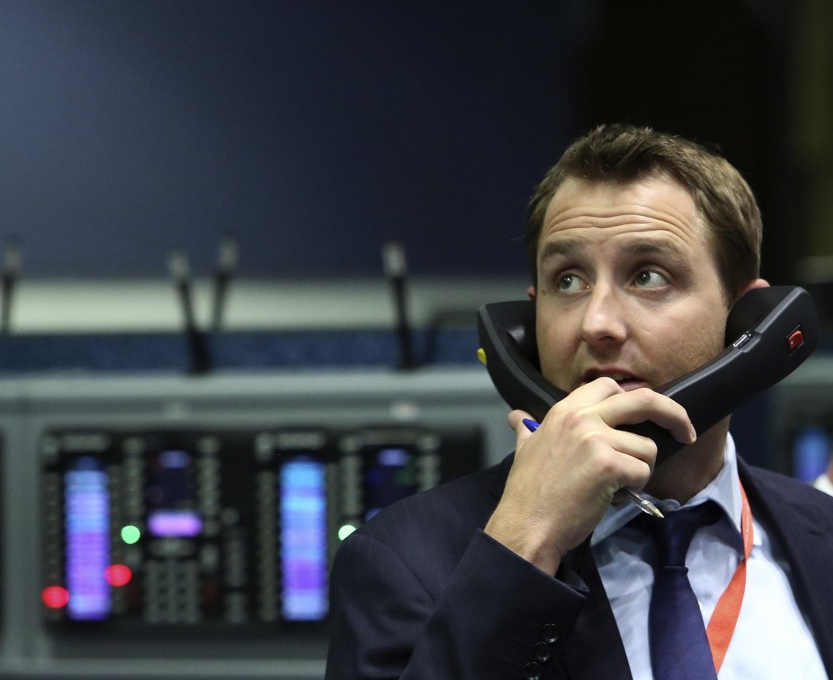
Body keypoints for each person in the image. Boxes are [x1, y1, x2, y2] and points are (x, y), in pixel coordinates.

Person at [325, 124, 833, 679]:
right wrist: (526, 545)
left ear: (747, 324)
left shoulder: (821, 538)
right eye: (567, 282)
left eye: (648, 275)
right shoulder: (403, 561)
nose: (597, 324)